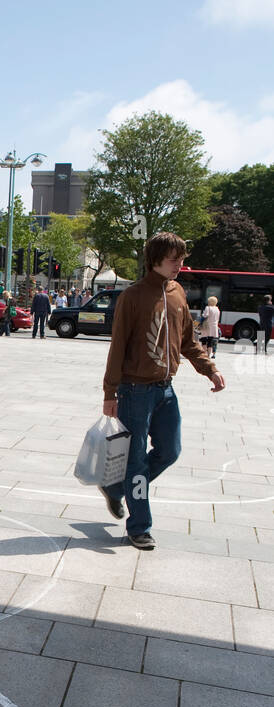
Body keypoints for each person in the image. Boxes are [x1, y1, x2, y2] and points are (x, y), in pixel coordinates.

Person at [100, 231, 225, 551]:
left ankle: (116, 488)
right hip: (134, 391)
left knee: (170, 451)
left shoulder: (178, 292)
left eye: (182, 259)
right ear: (155, 260)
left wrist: (209, 368)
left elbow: (188, 341)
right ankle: (139, 526)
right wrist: (110, 393)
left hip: (166, 390)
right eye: (174, 259)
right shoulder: (133, 296)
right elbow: (118, 347)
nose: (180, 265)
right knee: (136, 462)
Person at [199, 294, 220, 359]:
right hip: (214, 326)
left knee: (204, 340)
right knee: (210, 341)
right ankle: (208, 355)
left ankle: (204, 354)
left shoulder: (208, 308)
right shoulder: (217, 309)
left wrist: (200, 318)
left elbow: (205, 316)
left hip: (207, 325)